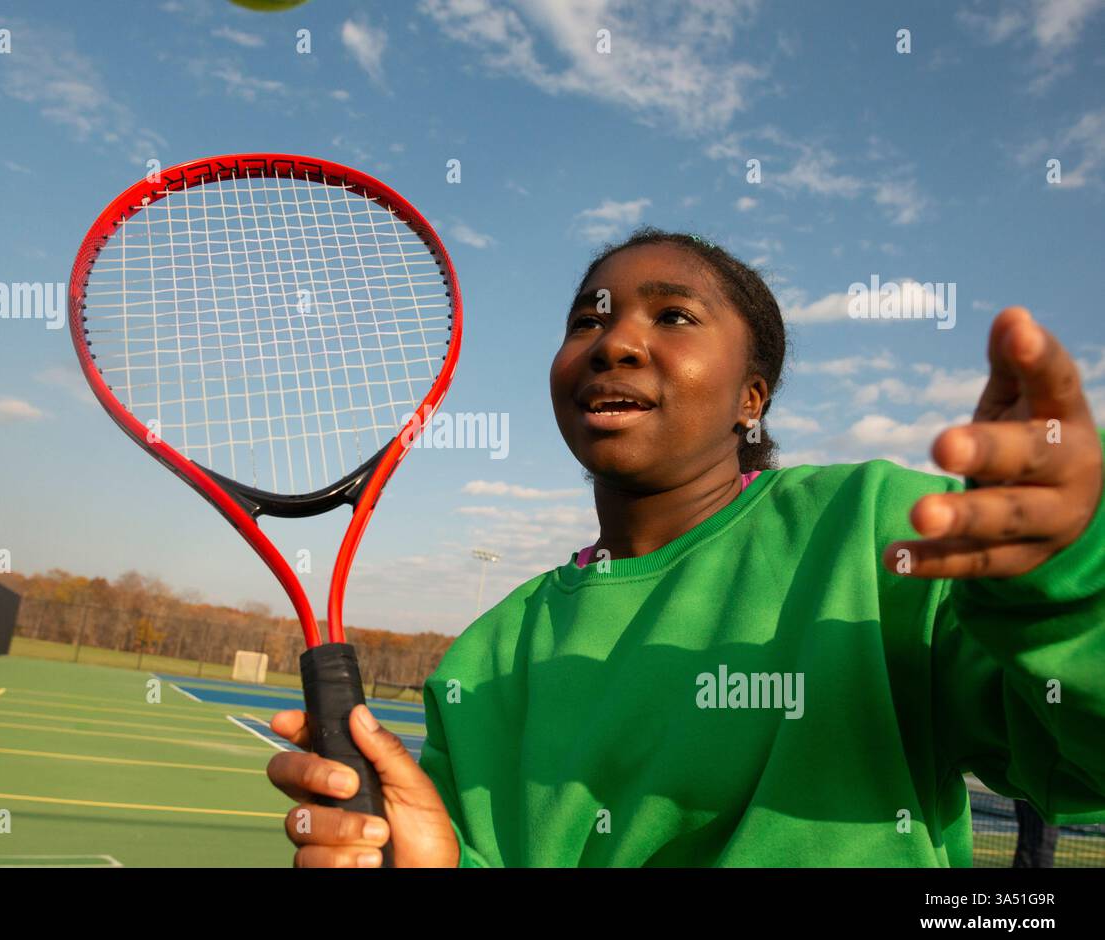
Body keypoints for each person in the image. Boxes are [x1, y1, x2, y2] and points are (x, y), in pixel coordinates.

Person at [266, 228, 1105, 867]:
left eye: (673, 316)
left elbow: (1082, 763)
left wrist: (1066, 583)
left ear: (752, 398)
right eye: (586, 319)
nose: (615, 341)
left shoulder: (875, 526)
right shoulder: (484, 657)